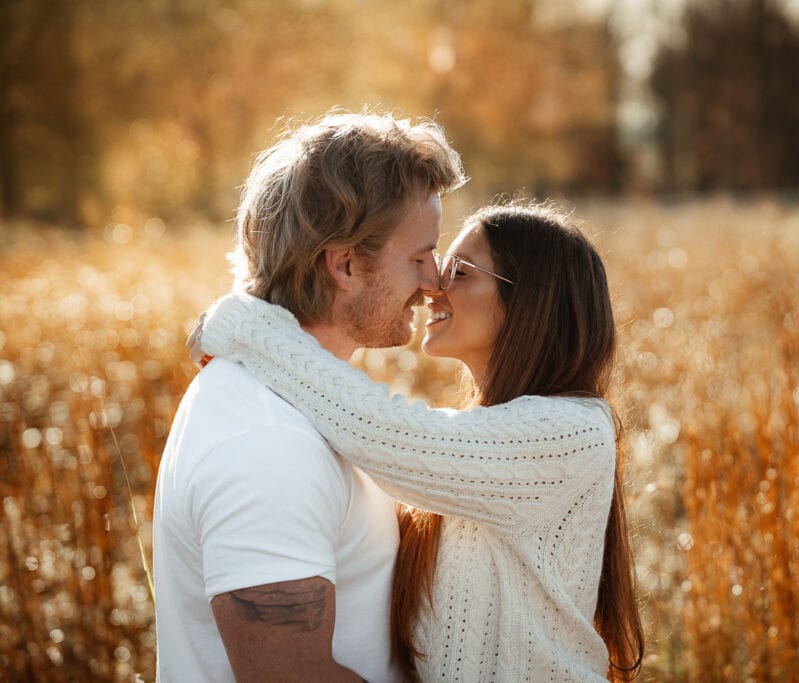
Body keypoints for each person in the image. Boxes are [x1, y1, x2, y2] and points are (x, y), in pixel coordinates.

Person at [192, 201, 645, 681]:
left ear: (532, 299)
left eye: (461, 272)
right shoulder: (493, 432)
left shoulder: (572, 433)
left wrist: (244, 323)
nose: (433, 286)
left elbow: (378, 430)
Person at [152, 111, 465, 682]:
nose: (433, 280)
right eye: (420, 256)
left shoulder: (307, 404)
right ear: (345, 264)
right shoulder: (266, 442)